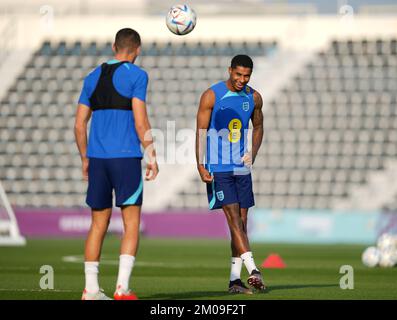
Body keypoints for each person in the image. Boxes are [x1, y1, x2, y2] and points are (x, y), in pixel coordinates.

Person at [74, 28, 159, 300]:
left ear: (114, 47)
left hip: (98, 159)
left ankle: (90, 290)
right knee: (131, 223)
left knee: (98, 224)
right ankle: (122, 289)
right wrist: (152, 156)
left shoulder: (91, 77)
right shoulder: (137, 75)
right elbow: (140, 121)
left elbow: (78, 125)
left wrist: (85, 157)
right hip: (125, 158)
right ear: (137, 49)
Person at [195, 55, 265, 294]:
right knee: (234, 221)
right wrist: (200, 164)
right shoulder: (212, 95)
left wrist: (252, 153)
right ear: (230, 71)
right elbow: (201, 131)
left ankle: (235, 281)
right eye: (238, 74)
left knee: (242, 224)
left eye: (246, 76)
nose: (241, 80)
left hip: (241, 168)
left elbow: (259, 126)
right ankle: (254, 270)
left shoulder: (253, 97)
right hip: (219, 167)